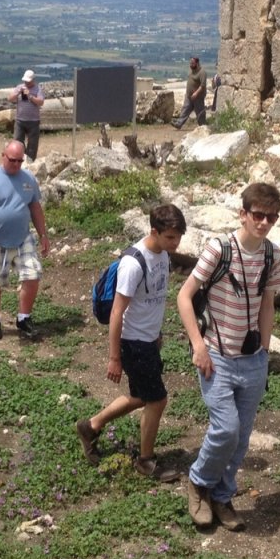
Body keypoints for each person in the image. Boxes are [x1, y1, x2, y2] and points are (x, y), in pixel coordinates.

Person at [177, 183, 280, 531]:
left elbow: (267, 304)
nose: (264, 222)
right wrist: (198, 345)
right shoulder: (219, 249)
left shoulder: (273, 255)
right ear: (244, 214)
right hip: (217, 356)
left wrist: (265, 352)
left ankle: (222, 497)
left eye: (271, 217)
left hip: (253, 359)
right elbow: (184, 296)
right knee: (226, 429)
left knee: (241, 437)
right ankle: (198, 483)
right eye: (258, 215)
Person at [76, 205, 188, 482]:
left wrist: (157, 332)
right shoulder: (133, 263)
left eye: (179, 237)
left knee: (141, 396)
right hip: (133, 342)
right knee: (157, 399)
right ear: (154, 232)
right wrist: (114, 357)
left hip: (149, 339)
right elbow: (117, 312)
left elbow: (155, 299)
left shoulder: (162, 254)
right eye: (171, 237)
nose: (176, 243)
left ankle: (91, 426)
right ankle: (146, 460)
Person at [0, 140, 51, 341]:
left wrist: (43, 235)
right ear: (3, 156)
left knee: (32, 275)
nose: (16, 164)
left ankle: (24, 318)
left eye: (19, 160)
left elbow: (35, 207)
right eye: (12, 160)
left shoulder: (28, 179)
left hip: (23, 237)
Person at [9, 69, 45, 162]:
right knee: (18, 142)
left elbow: (41, 102)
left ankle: (30, 162)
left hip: (33, 121)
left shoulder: (38, 89)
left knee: (32, 145)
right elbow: (10, 98)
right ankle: (19, 160)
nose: (26, 83)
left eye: (28, 81)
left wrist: (31, 96)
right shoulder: (20, 87)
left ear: (33, 80)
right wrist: (17, 93)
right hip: (20, 120)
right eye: (25, 81)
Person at [172, 56, 207, 129]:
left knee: (200, 112)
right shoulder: (191, 71)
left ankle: (203, 126)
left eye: (192, 63)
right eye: (190, 63)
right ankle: (179, 124)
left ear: (197, 63)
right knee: (185, 110)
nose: (191, 65)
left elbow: (202, 85)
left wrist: (196, 93)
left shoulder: (202, 72)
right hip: (189, 96)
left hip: (198, 97)